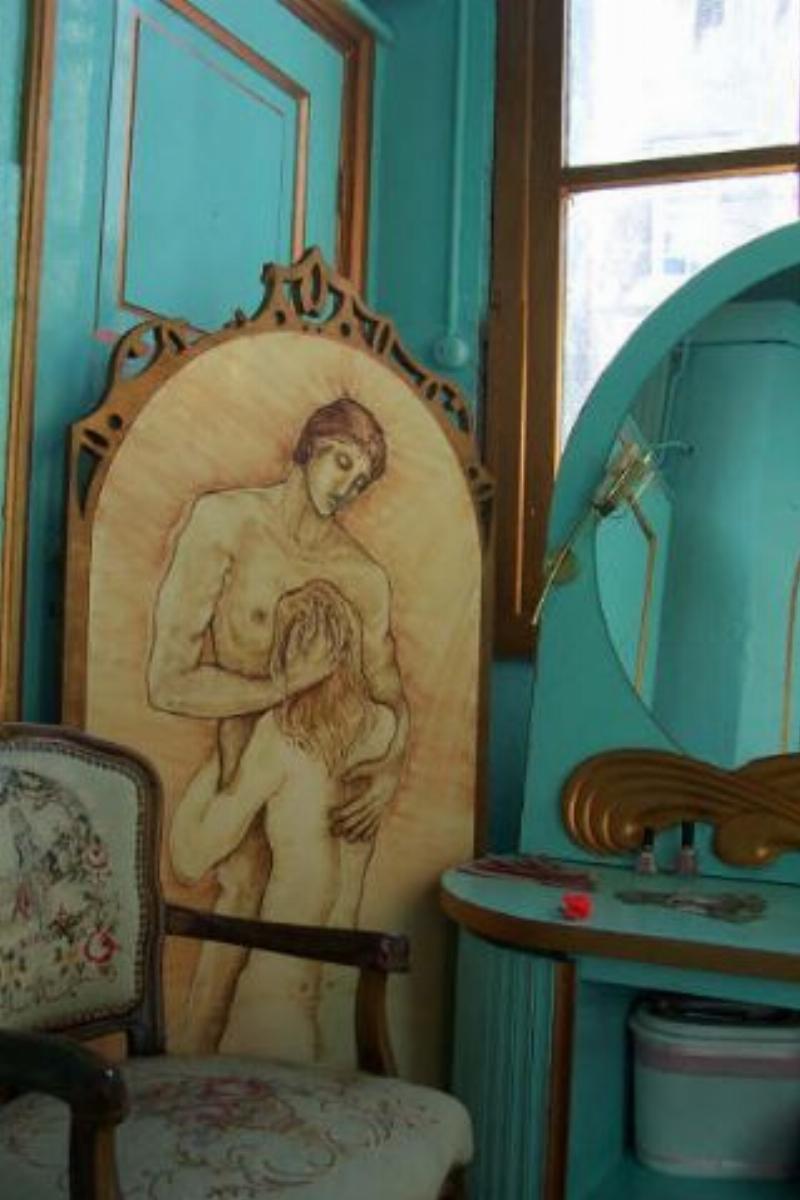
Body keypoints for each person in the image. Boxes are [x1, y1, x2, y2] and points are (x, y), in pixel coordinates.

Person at [148, 397, 408, 1053]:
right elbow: (167, 681)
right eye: (341, 463)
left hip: (315, 772)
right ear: (309, 447)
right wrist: (278, 689)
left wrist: (389, 774)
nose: (346, 487)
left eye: (360, 480)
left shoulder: (363, 577)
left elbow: (390, 697)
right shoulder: (225, 524)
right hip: (244, 765)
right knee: (227, 939)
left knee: (317, 948)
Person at [169, 578, 396, 1058]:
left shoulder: (279, 736)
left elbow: (191, 858)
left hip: (281, 985)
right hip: (344, 986)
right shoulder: (384, 729)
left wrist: (217, 764)